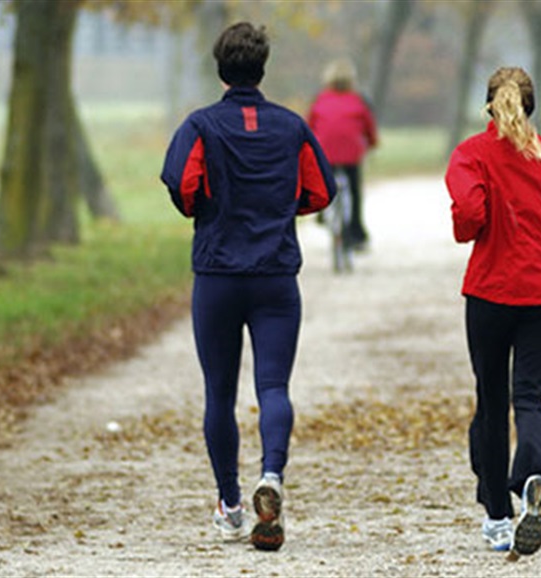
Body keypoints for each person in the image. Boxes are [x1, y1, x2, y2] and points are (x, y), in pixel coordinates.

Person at [160, 22, 336, 551]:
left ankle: (232, 506)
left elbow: (180, 183)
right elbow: (321, 190)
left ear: (221, 69)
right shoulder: (291, 127)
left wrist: (205, 213)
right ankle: (273, 477)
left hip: (217, 273)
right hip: (276, 275)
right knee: (274, 387)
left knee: (219, 392)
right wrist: (284, 211)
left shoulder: (200, 126)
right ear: (262, 69)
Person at [446, 66, 541, 555]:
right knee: (529, 397)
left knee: (491, 403)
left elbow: (469, 218)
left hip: (490, 294)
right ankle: (531, 475)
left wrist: (474, 226)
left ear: (490, 104)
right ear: (530, 106)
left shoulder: (471, 154)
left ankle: (496, 517)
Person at [306, 58, 379, 251]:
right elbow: (369, 128)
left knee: (322, 181)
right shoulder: (358, 100)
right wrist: (372, 143)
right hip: (351, 154)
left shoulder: (320, 100)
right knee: (354, 191)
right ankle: (356, 232)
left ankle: (322, 210)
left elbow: (310, 125)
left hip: (325, 153)